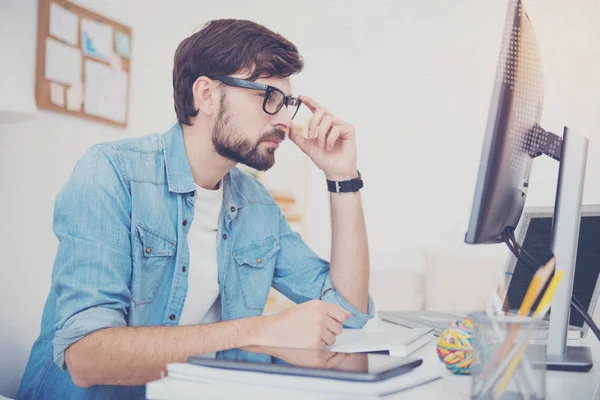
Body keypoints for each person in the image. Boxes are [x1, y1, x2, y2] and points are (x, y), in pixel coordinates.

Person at [17, 18, 373, 399]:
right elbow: (87, 356)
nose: (285, 121)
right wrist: (261, 330)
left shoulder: (256, 204)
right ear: (205, 94)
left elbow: (347, 310)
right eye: (269, 96)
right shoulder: (112, 174)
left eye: (287, 104)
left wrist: (342, 177)